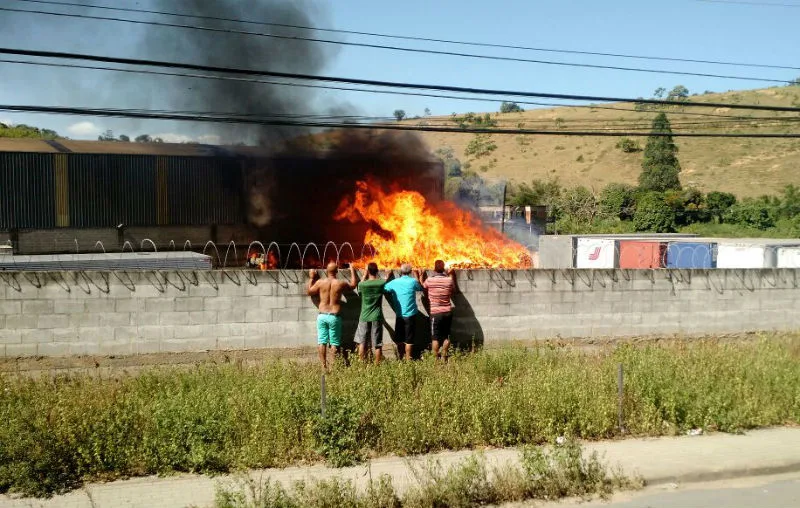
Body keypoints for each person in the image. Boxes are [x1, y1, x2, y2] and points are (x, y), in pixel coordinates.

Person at [307, 261, 356, 370]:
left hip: (322, 316)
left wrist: (311, 278)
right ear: (337, 271)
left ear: (326, 271)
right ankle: (334, 367)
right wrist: (352, 269)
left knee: (322, 342)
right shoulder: (340, 283)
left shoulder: (320, 282)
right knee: (334, 343)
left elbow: (309, 292)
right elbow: (353, 285)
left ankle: (324, 367)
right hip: (334, 316)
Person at [383, 263, 423, 360]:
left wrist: (387, 276)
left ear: (400, 271)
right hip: (410, 316)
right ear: (410, 272)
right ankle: (408, 360)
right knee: (409, 339)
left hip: (399, 315)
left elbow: (384, 288)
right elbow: (420, 287)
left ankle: (400, 358)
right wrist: (418, 275)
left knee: (399, 339)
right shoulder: (413, 282)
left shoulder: (394, 282)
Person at [354, 262, 388, 364]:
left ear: (368, 271)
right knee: (377, 344)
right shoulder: (381, 283)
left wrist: (364, 275)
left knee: (362, 342)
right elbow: (385, 282)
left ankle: (361, 365)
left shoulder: (362, 284)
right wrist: (387, 275)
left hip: (364, 317)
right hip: (376, 317)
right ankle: (377, 366)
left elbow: (359, 286)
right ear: (377, 271)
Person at [423, 260, 456, 361]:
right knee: (446, 336)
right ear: (444, 269)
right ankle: (444, 356)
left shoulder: (429, 280)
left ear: (434, 269)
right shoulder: (449, 280)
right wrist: (451, 274)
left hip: (435, 313)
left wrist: (420, 275)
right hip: (447, 312)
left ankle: (435, 360)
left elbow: (423, 288)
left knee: (435, 338)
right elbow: (454, 290)